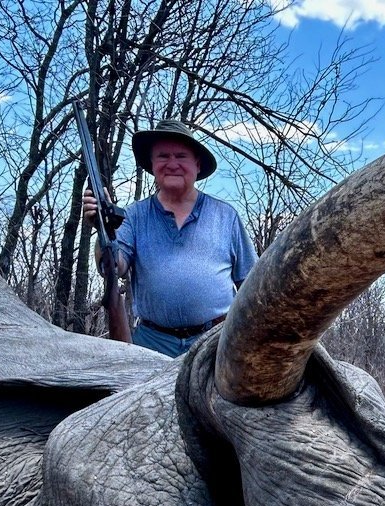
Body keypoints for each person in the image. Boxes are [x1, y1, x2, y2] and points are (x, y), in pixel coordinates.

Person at [83, 119, 257, 357]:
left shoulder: (226, 216)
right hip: (152, 344)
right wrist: (102, 229)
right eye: (163, 156)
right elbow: (114, 266)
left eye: (181, 156)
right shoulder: (134, 216)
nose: (172, 164)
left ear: (197, 164)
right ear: (152, 165)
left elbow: (252, 283)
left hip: (216, 343)